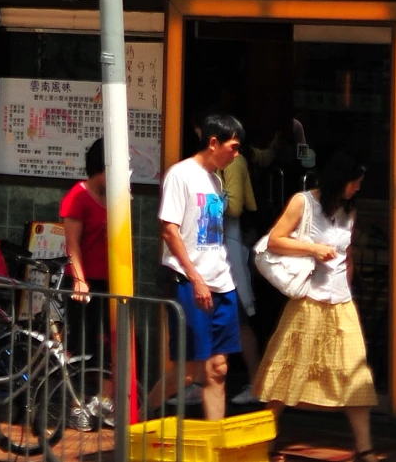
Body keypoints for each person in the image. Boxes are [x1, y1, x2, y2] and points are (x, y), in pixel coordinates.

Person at [253, 151, 380, 460]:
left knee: (356, 373)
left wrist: (348, 284)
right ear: (340, 179)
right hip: (309, 298)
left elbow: (346, 255)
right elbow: (274, 241)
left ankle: (365, 449)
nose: (358, 188)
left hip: (341, 301)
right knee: (287, 372)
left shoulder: (350, 210)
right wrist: (312, 248)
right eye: (355, 182)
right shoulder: (303, 202)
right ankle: (263, 440)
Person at [155, 110, 244, 421]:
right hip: (189, 281)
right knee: (188, 373)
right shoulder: (180, 175)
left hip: (222, 282)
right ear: (214, 142)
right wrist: (196, 279)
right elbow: (169, 229)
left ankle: (215, 445)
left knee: (218, 368)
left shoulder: (216, 181)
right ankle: (135, 414)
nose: (236, 153)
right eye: (233, 147)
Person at [61, 138, 113, 417]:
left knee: (109, 342)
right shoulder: (77, 196)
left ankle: (103, 402)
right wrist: (80, 280)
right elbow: (73, 245)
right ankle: (76, 405)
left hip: (109, 280)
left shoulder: (116, 194)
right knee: (81, 346)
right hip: (84, 282)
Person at [222, 139, 262, 376]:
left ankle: (254, 380)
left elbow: (235, 207)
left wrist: (207, 201)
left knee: (239, 321)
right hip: (225, 252)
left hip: (229, 252)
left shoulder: (234, 163)